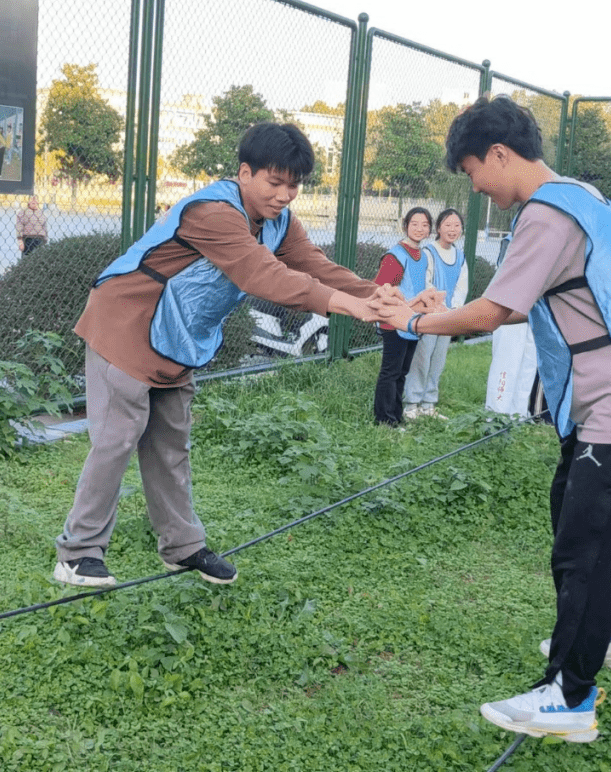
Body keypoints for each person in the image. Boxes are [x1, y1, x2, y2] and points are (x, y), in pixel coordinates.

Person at [372, 95, 611, 744]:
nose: (474, 186)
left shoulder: (545, 215)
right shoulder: (585, 196)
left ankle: (569, 697)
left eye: (473, 171)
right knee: (577, 520)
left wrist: (411, 320)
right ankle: (608, 633)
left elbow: (497, 311)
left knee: (586, 549)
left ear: (499, 154)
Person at [54, 122, 417, 589]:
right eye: (275, 181)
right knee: (117, 439)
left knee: (171, 442)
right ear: (245, 173)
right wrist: (352, 307)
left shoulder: (278, 221)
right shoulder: (213, 212)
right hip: (125, 320)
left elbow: (315, 267)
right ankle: (78, 555)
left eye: (295, 185)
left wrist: (388, 298)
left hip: (176, 335)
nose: (285, 194)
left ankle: (181, 548)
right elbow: (262, 276)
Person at [403, 208, 468, 419]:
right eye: (447, 225)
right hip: (429, 316)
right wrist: (434, 308)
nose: (452, 229)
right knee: (421, 358)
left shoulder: (460, 256)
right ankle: (411, 403)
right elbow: (426, 282)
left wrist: (454, 308)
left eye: (456, 225)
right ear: (438, 228)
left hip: (448, 317)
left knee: (438, 360)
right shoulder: (428, 252)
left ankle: (428, 404)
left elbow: (461, 286)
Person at [372, 207, 431, 426]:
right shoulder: (395, 256)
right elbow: (380, 291)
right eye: (414, 224)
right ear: (405, 225)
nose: (419, 228)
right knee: (391, 372)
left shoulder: (422, 255)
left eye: (424, 225)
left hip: (412, 323)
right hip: (394, 323)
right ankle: (384, 420)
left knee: (402, 372)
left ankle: (396, 416)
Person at [484, 232, 538, 418]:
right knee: (506, 363)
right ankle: (497, 415)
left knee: (529, 363)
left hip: (534, 309)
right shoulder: (514, 238)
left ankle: (519, 413)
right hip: (510, 307)